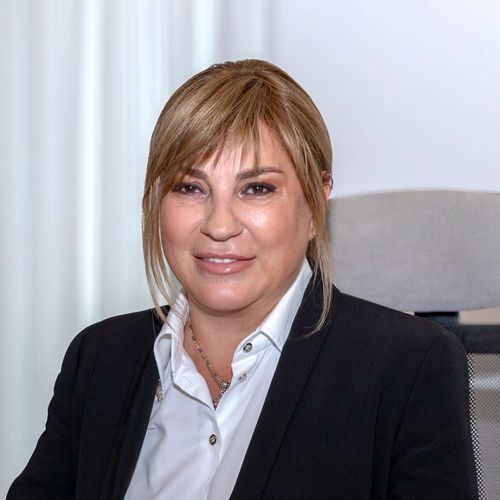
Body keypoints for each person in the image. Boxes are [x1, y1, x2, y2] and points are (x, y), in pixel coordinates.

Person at [8, 59, 478, 499]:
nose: (219, 225)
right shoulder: (99, 358)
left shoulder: (409, 366)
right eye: (190, 187)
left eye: (256, 189)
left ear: (316, 203)